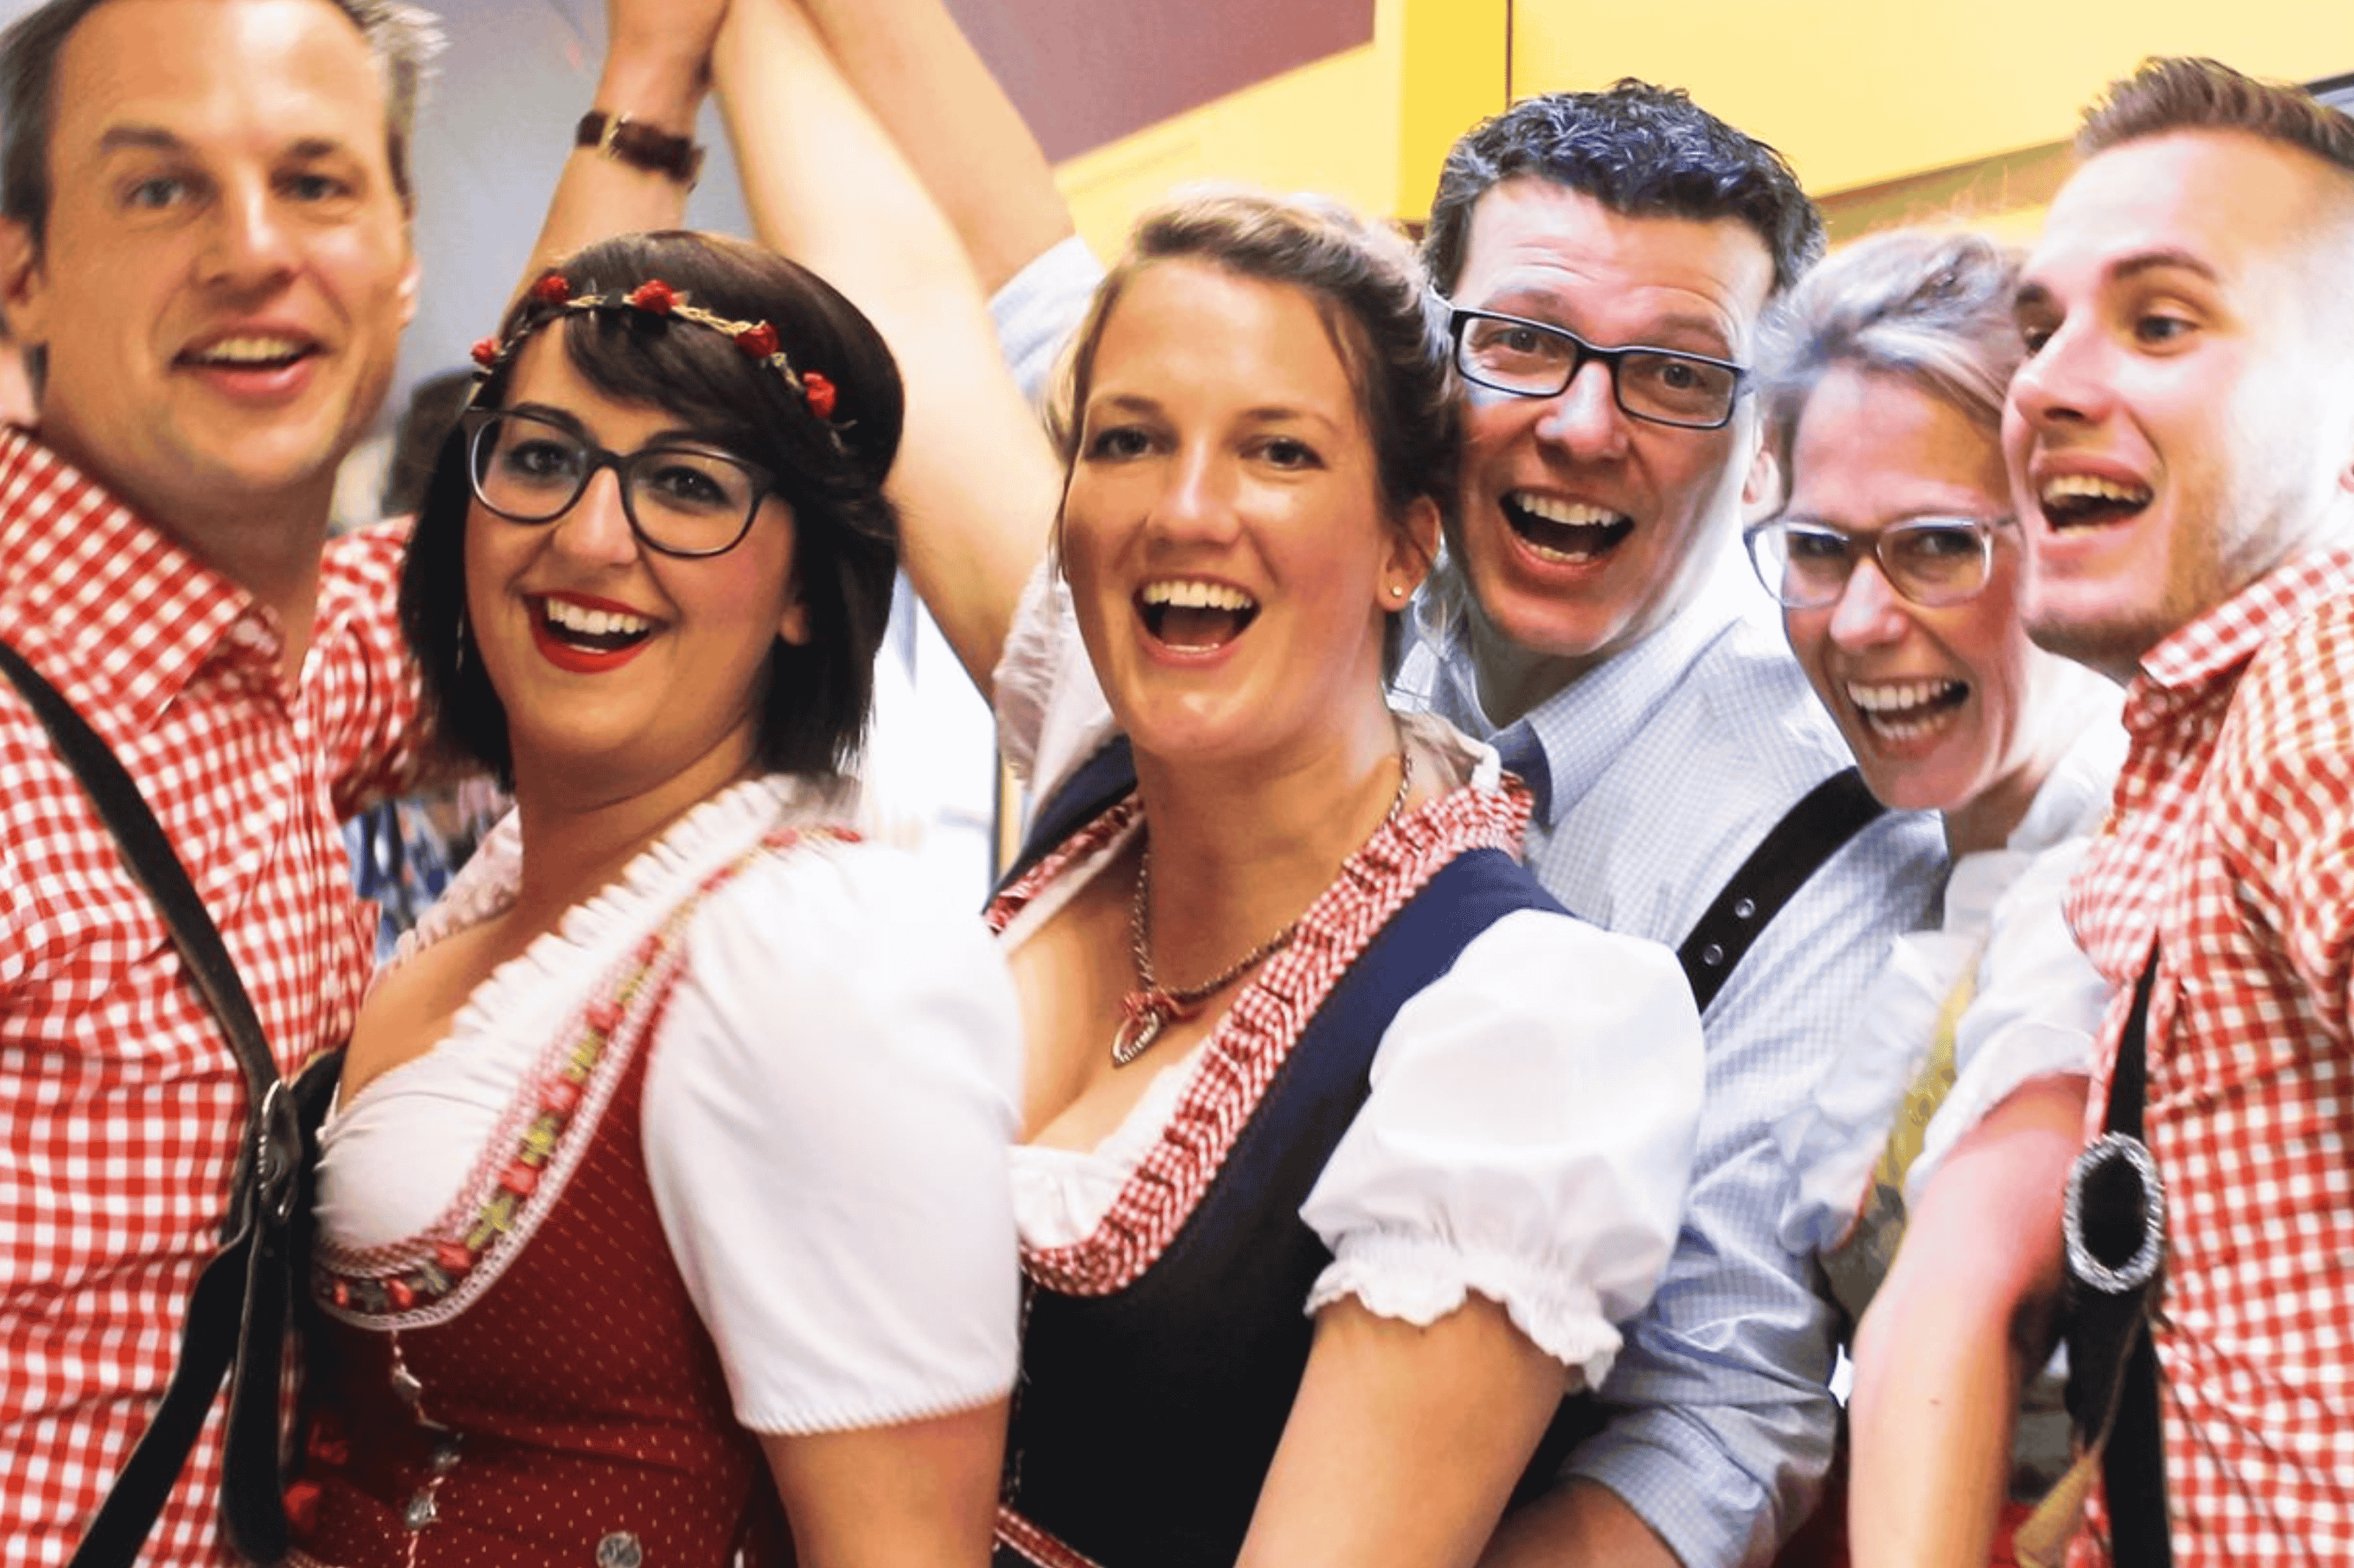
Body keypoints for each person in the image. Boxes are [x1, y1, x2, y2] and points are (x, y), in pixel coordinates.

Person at [694, 4, 1948, 1561]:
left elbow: (1714, 1422)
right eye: (1525, 342)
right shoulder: (1190, 672)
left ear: (1758, 440)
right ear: (1436, 380)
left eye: (1677, 375)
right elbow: (969, 317)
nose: (1579, 424)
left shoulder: (1816, 831)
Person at [0, 0, 733, 1558]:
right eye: (159, 187)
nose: (251, 250)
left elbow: (505, 538)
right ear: (22, 270)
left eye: (318, 183)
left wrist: (650, 80)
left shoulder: (277, 665)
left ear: (404, 254)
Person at [287, 229, 1020, 1568]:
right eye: (542, 458)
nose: (589, 535)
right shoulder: (515, 882)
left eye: (688, 484)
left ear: (807, 587)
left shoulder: (818, 959)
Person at [2000, 57, 2354, 1566]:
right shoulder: (2211, 728)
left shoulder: (2321, 691)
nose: (2047, 383)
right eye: (2041, 326)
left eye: (2159, 321)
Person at [1743, 227, 2122, 1566]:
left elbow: (1962, 1300)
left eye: (1939, 547)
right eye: (1820, 550)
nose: (1857, 621)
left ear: (2071, 521)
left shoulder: (2124, 859)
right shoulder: (1936, 859)